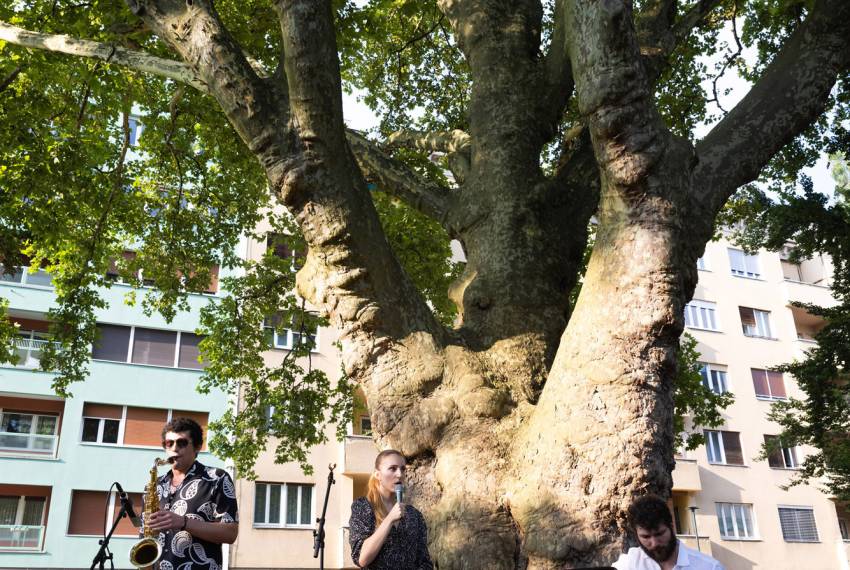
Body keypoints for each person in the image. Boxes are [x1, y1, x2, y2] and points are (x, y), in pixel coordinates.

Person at [143, 417, 238, 570]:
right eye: (169, 443)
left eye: (181, 443)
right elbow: (145, 536)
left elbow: (230, 533)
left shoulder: (217, 478)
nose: (174, 448)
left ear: (197, 447)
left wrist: (183, 522)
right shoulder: (153, 486)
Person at [349, 449, 433, 569]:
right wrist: (389, 520)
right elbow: (362, 559)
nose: (399, 474)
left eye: (403, 469)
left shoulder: (414, 515)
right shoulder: (363, 507)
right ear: (378, 475)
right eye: (392, 468)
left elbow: (424, 561)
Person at [613, 495, 724, 570]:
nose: (655, 543)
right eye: (646, 537)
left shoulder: (709, 567)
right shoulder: (628, 564)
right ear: (636, 534)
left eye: (659, 533)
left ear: (672, 526)